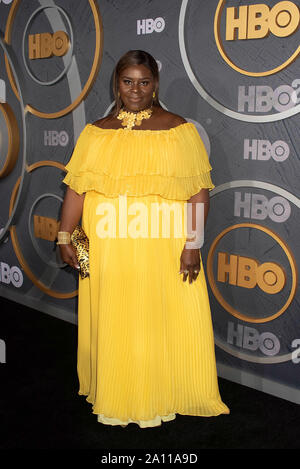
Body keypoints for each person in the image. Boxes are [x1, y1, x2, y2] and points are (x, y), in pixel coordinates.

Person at [58, 50, 229, 428]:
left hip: (159, 244)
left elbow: (198, 193)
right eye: (127, 81)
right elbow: (76, 190)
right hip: (104, 246)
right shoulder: (94, 131)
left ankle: (159, 393)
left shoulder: (178, 130)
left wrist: (193, 244)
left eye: (144, 82)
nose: (135, 90)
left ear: (155, 85)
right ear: (117, 84)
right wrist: (65, 236)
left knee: (156, 318)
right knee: (111, 314)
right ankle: (114, 393)